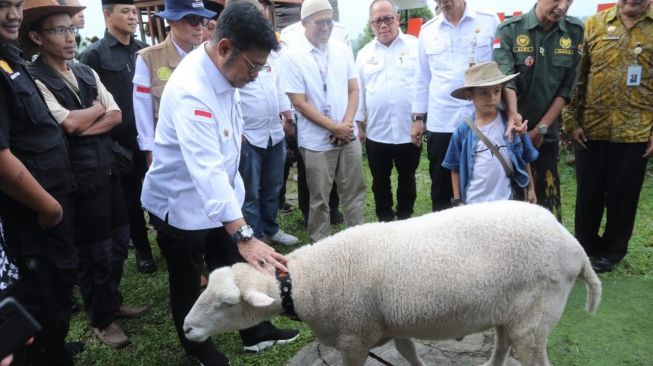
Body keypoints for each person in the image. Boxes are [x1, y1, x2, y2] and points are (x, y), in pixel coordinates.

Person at [140, 2, 298, 364]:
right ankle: (196, 349)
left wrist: (236, 225)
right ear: (224, 47)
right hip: (179, 205)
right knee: (186, 280)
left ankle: (254, 331)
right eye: (253, 66)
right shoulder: (190, 90)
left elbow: (226, 142)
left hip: (221, 204)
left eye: (262, 67)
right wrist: (244, 234)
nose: (256, 75)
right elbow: (206, 169)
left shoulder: (223, 68)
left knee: (232, 268)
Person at [23, 0, 149, 348]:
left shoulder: (85, 71)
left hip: (110, 168)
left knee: (120, 240)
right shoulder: (35, 79)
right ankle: (102, 318)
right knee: (94, 252)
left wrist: (85, 121)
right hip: (78, 178)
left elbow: (115, 114)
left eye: (71, 29)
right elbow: (65, 125)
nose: (69, 37)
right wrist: (90, 116)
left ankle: (113, 300)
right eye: (59, 30)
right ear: (36, 36)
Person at [0, 0, 78, 362]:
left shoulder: (11, 60)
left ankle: (57, 344)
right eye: (3, 6)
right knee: (43, 289)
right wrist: (48, 207)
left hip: (53, 199)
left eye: (16, 3)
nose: (13, 13)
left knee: (61, 284)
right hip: (34, 212)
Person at [562, 0, 653, 273]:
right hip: (591, 127)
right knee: (588, 193)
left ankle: (612, 251)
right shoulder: (594, 24)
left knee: (624, 197)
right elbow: (575, 77)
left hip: (636, 129)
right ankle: (585, 246)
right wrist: (570, 119)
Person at [79, 0, 155, 274]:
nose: (133, 17)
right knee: (131, 201)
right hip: (119, 144)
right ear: (107, 15)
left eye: (135, 11)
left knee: (161, 192)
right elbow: (87, 102)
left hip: (152, 139)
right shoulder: (93, 56)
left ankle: (167, 240)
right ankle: (144, 251)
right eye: (126, 11)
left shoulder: (145, 50)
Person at [283, 0, 366, 242]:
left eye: (329, 22)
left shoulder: (341, 49)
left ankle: (358, 239)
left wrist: (346, 124)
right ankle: (320, 245)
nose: (326, 28)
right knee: (319, 197)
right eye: (320, 22)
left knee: (354, 190)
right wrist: (334, 127)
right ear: (304, 23)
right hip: (317, 141)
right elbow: (299, 102)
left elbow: (353, 90)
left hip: (346, 134)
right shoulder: (293, 56)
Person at [493, 0, 584, 222]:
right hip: (510, 133)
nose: (562, 7)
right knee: (512, 202)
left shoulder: (574, 31)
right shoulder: (510, 30)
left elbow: (567, 88)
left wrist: (541, 129)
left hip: (546, 135)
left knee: (547, 202)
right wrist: (515, 118)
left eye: (569, 1)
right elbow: (507, 80)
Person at [411, 0, 500, 212]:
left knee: (482, 182)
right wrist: (417, 118)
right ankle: (444, 240)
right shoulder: (428, 31)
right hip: (442, 123)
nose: (444, 2)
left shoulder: (489, 21)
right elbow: (422, 78)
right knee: (442, 188)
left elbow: (501, 69)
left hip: (481, 121)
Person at [226, 0, 299, 246]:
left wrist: (287, 116)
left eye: (264, 9)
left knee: (273, 187)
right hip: (249, 136)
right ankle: (255, 237)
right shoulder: (234, 48)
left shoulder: (270, 48)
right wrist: (238, 131)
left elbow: (278, 86)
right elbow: (229, 94)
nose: (263, 13)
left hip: (273, 132)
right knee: (250, 192)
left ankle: (272, 228)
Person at [355, 0, 421, 221]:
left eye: (387, 19)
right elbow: (359, 92)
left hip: (408, 130)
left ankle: (405, 218)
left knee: (407, 177)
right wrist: (359, 125)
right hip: (377, 131)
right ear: (371, 24)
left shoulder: (415, 46)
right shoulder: (364, 54)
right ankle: (384, 220)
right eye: (377, 21)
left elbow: (423, 84)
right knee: (379, 180)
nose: (383, 25)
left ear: (397, 19)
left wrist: (420, 120)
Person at [133, 0, 216, 168]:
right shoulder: (149, 58)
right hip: (170, 149)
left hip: (206, 144)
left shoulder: (209, 57)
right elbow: (142, 108)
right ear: (171, 21)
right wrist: (150, 150)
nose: (199, 26)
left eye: (202, 20)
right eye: (192, 19)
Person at [442, 62, 538, 205]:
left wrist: (531, 189)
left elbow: (525, 157)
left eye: (497, 91)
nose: (491, 97)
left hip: (506, 201)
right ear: (470, 95)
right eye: (484, 92)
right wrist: (458, 200)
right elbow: (454, 168)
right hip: (474, 203)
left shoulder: (511, 125)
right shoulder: (462, 131)